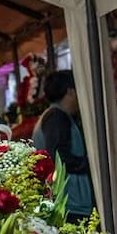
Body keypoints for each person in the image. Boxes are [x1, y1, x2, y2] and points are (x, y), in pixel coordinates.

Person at [32, 70, 95, 223]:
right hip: (69, 200)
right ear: (71, 91)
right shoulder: (57, 117)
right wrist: (91, 163)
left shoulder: (56, 115)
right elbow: (60, 156)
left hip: (69, 200)